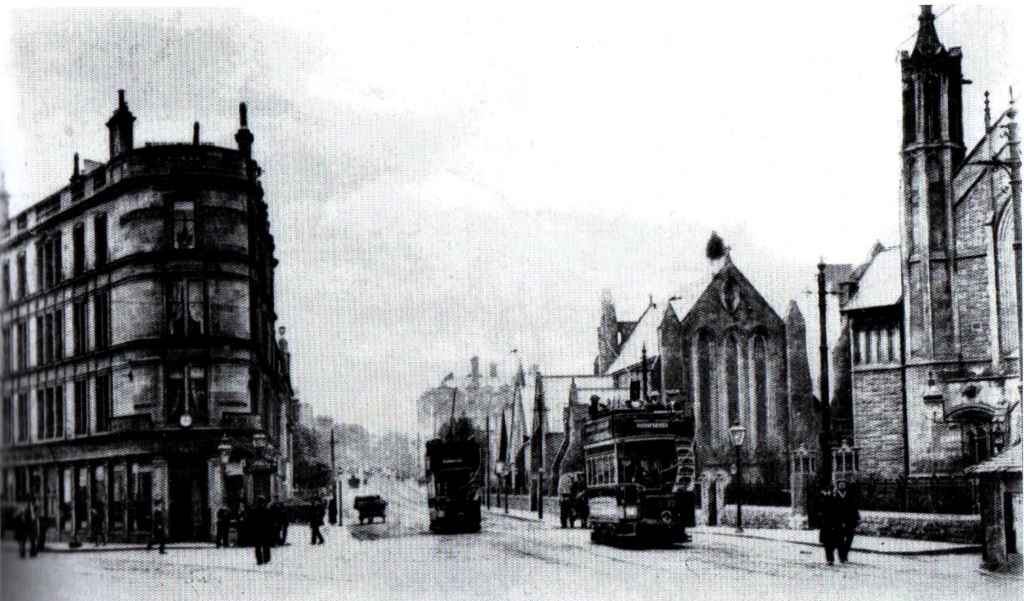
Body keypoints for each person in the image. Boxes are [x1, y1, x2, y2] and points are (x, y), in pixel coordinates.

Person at [834, 480, 860, 563]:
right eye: (840, 485)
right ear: (838, 486)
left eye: (844, 485)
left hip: (849, 520)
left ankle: (845, 554)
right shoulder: (834, 495)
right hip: (838, 521)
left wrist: (856, 518)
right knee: (839, 539)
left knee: (849, 538)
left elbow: (854, 507)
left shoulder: (849, 495)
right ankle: (841, 556)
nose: (842, 487)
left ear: (846, 486)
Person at [815, 484, 838, 565]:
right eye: (824, 490)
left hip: (834, 522)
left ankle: (830, 555)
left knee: (834, 540)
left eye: (828, 490)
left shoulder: (835, 497)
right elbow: (815, 510)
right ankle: (829, 557)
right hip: (824, 523)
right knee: (826, 541)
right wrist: (818, 521)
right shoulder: (819, 497)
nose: (826, 491)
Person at [250, 496, 273, 565]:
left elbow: (250, 522)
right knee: (266, 546)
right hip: (265, 531)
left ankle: (259, 560)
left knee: (257, 546)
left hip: (256, 531)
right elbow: (270, 522)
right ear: (264, 502)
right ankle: (266, 559)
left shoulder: (253, 511)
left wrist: (251, 531)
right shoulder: (267, 511)